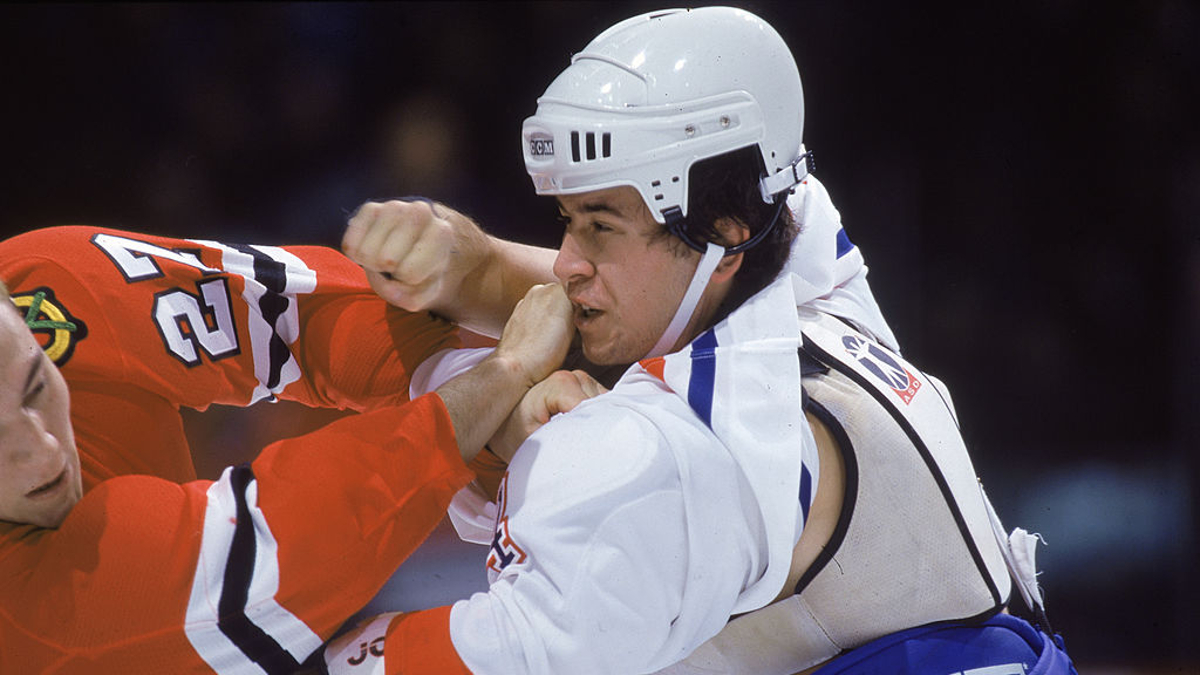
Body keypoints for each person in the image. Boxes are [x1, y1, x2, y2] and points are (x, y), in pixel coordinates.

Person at [328, 6, 1077, 675]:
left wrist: (507, 435)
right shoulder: (793, 249)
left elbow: (493, 654)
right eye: (565, 221)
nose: (564, 264)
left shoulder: (678, 456)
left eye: (600, 225)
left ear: (723, 233)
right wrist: (472, 261)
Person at [0, 224, 593, 673]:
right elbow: (284, 541)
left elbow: (289, 319)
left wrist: (466, 390)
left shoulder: (46, 288)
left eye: (36, 386)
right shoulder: (21, 612)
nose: (44, 449)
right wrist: (502, 375)